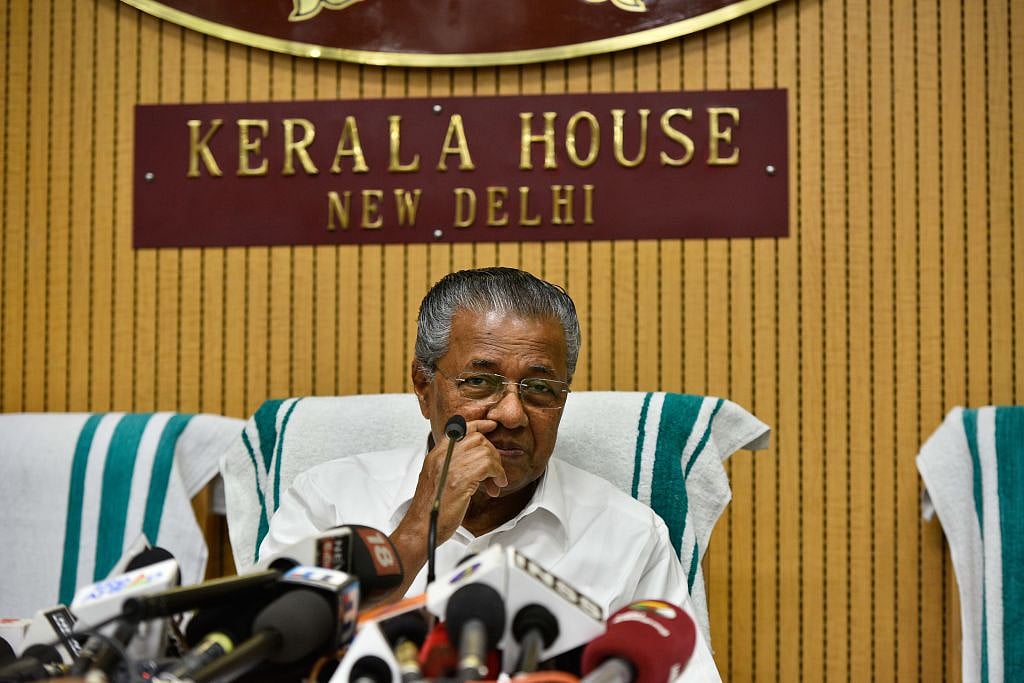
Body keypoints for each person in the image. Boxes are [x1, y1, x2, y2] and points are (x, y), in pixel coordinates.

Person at [260, 267, 721, 680]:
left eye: (540, 388)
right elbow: (272, 656)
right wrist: (421, 525)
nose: (512, 414)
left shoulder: (630, 536)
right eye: (480, 382)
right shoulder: (329, 501)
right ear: (424, 387)